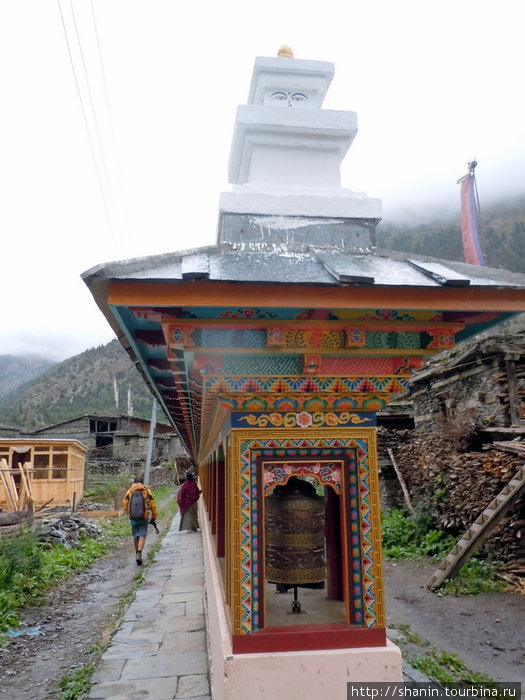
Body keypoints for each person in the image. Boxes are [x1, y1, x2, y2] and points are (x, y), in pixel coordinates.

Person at [122, 475, 158, 565]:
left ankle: (136, 553)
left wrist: (129, 512)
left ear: (134, 482)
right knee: (142, 534)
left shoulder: (130, 491)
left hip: (133, 517)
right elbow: (153, 505)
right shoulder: (146, 490)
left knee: (135, 535)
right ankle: (139, 552)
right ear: (142, 482)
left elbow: (125, 504)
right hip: (144, 516)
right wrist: (154, 516)